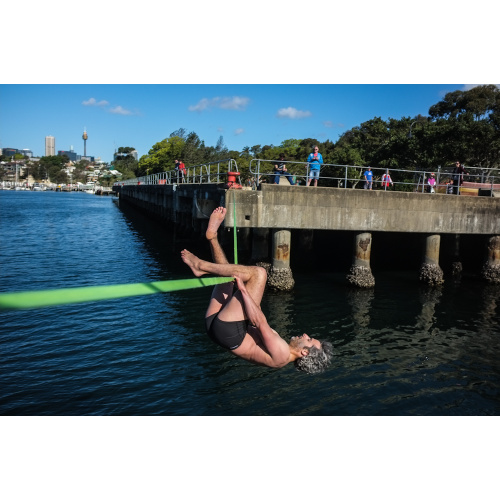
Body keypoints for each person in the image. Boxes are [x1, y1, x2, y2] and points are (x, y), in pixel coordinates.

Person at [181, 207, 333, 374]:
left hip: (228, 332)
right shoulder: (280, 350)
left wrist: (244, 291)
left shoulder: (282, 354)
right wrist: (245, 291)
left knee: (259, 273)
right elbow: (256, 316)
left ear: (305, 352)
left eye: (309, 339)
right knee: (228, 278)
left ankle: (200, 266)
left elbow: (259, 321)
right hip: (221, 331)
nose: (305, 335)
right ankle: (213, 238)